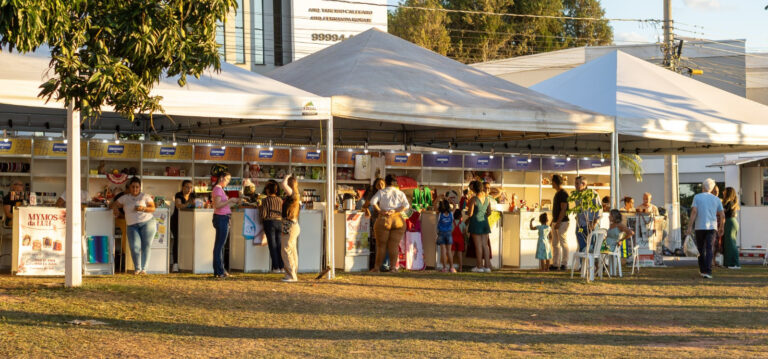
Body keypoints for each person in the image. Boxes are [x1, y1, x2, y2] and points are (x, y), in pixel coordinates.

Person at [110, 177, 156, 275]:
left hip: (147, 223)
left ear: (140, 188)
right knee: (134, 247)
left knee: (146, 245)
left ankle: (144, 269)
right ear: (129, 187)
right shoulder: (125, 198)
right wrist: (115, 209)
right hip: (132, 225)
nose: (135, 189)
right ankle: (137, 268)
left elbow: (152, 208)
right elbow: (114, 204)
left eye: (137, 187)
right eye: (133, 187)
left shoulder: (145, 196)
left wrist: (143, 209)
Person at [370, 175, 410, 273]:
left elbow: (372, 202)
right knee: (394, 245)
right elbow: (406, 206)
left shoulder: (381, 192)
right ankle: (393, 268)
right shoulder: (400, 193)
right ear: (395, 183)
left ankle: (377, 268)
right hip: (397, 220)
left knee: (381, 245)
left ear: (386, 182)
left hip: (384, 219)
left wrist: (380, 211)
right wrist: (395, 210)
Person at [686, 178, 725, 279]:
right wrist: (721, 227)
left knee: (700, 249)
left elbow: (694, 212)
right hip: (712, 227)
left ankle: (702, 270)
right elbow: (722, 214)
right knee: (709, 248)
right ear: (712, 189)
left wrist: (690, 226)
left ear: (703, 187)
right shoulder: (716, 199)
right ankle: (708, 271)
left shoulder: (697, 197)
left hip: (700, 227)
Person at [210, 172, 240, 278]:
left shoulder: (219, 189)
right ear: (221, 178)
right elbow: (217, 205)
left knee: (220, 245)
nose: (228, 182)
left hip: (223, 217)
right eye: (227, 179)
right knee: (219, 246)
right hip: (221, 218)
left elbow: (222, 205)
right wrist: (230, 200)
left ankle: (220, 269)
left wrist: (233, 202)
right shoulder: (218, 189)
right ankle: (219, 270)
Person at [279, 174, 301, 282]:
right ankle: (293, 273)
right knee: (292, 250)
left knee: (286, 250)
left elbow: (283, 184)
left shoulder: (293, 195)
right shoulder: (295, 196)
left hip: (289, 225)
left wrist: (286, 176)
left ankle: (291, 275)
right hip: (292, 225)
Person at [170, 180, 195, 272]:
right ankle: (175, 263)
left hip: (188, 222)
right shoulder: (178, 195)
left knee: (187, 241)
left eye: (190, 187)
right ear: (182, 187)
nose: (189, 189)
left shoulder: (193, 196)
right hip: (176, 221)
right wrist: (189, 204)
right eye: (187, 187)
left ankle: (186, 262)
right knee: (177, 240)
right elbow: (178, 205)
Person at [467, 180, 492, 273]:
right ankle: (487, 266)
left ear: (474, 189)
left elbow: (470, 213)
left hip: (475, 222)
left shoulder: (473, 199)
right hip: (485, 222)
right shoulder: (487, 198)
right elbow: (489, 212)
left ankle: (479, 266)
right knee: (485, 245)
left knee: (478, 245)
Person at [260, 180, 284, 273]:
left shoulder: (265, 200)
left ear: (268, 190)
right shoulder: (280, 200)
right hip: (279, 222)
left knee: (272, 245)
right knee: (279, 245)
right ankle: (282, 267)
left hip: (269, 223)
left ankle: (276, 267)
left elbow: (264, 214)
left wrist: (259, 209)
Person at [363, 178, 386, 270]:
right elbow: (364, 206)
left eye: (382, 184)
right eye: (378, 184)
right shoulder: (372, 194)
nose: (380, 186)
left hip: (386, 219)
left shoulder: (387, 193)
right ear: (375, 185)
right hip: (376, 220)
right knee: (378, 242)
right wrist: (367, 209)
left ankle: (384, 264)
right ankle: (377, 264)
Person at [573, 176, 601, 253]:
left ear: (584, 184)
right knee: (582, 248)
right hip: (580, 226)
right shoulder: (577, 195)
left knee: (591, 248)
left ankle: (592, 265)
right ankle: (583, 265)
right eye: (575, 183)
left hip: (590, 225)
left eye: (577, 183)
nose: (575, 186)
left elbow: (599, 210)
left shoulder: (593, 194)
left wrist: (594, 223)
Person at [550, 174, 570, 271]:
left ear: (555, 182)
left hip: (562, 222)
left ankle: (564, 263)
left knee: (563, 242)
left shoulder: (563, 194)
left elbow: (564, 209)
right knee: (555, 243)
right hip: (556, 221)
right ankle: (555, 263)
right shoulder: (558, 193)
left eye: (552, 182)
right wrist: (553, 221)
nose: (551, 184)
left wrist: (558, 221)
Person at [721, 187, 741, 269]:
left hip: (730, 222)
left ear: (728, 193)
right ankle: (728, 263)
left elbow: (722, 211)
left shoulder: (729, 203)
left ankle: (734, 263)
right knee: (728, 243)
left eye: (724, 191)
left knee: (730, 243)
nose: (723, 192)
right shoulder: (730, 203)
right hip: (731, 222)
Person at [436, 199, 455, 273]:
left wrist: (439, 198)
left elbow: (435, 206)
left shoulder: (440, 214)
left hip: (441, 233)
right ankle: (452, 267)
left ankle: (444, 268)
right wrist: (450, 200)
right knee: (449, 251)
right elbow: (454, 207)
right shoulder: (451, 214)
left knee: (443, 251)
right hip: (449, 233)